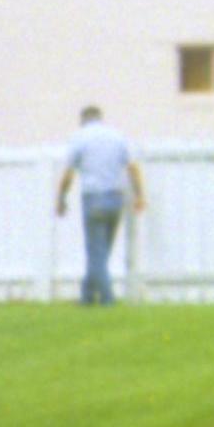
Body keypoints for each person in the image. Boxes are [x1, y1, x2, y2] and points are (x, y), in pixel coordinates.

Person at [54, 105, 146, 306]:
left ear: (83, 120)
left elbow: (68, 173)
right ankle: (87, 297)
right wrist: (140, 195)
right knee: (101, 252)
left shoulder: (80, 137)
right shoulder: (117, 136)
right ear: (100, 118)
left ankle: (106, 299)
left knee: (96, 251)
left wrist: (61, 198)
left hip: (93, 198)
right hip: (115, 198)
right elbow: (132, 167)